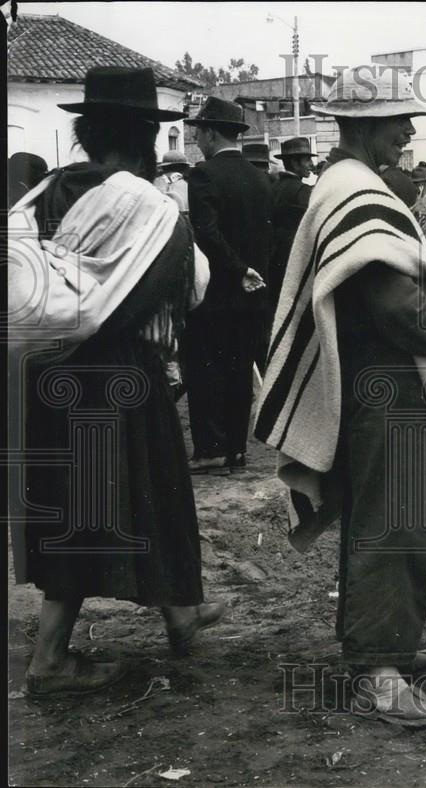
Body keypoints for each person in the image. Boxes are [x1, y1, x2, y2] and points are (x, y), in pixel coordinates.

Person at [255, 65, 426, 728]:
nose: (408, 132)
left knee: (388, 519)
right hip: (384, 386)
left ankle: (385, 648)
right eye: (399, 122)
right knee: (394, 522)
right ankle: (379, 675)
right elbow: (390, 297)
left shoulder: (341, 184)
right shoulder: (356, 188)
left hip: (368, 383)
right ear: (369, 125)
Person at [9, 66, 222, 696]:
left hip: (47, 375)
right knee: (124, 498)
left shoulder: (42, 194)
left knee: (93, 499)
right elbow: (181, 287)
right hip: (119, 376)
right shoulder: (148, 207)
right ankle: (50, 660)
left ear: (85, 132)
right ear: (147, 137)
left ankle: (181, 613)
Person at [184, 96, 273, 474]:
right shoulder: (261, 178)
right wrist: (254, 273)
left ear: (209, 133)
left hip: (217, 291)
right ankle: (237, 449)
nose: (196, 139)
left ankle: (211, 449)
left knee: (204, 369)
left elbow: (206, 233)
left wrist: (237, 269)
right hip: (254, 295)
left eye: (198, 132)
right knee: (239, 370)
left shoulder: (203, 175)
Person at [270, 137, 316, 315]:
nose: (311, 165)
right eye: (307, 160)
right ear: (295, 163)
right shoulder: (303, 192)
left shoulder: (273, 187)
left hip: (275, 257)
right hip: (296, 257)